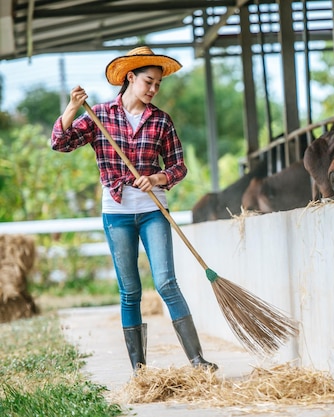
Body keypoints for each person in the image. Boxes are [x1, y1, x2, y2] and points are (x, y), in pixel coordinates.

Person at [51, 46, 218, 374]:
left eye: (158, 84)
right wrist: (72, 108)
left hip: (154, 210)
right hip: (117, 213)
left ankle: (197, 361)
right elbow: (60, 142)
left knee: (166, 282)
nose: (154, 89)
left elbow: (179, 166)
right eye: (148, 81)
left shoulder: (161, 121)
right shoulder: (99, 115)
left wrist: (157, 176)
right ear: (130, 77)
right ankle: (139, 371)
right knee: (130, 290)